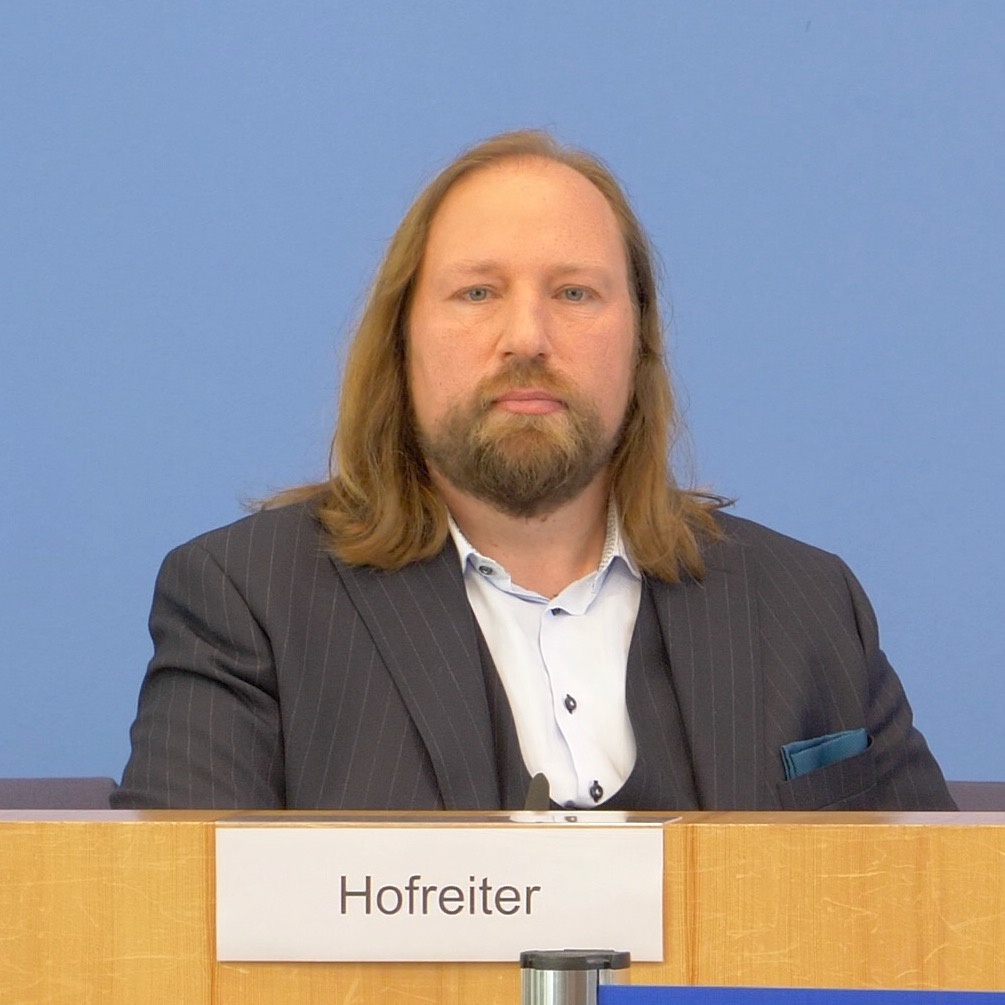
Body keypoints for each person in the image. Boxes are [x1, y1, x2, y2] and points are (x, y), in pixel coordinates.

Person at [113, 130, 955, 812]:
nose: (526, 337)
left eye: (574, 293)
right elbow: (169, 928)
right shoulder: (245, 602)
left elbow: (940, 922)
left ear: (640, 340)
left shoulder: (808, 604)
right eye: (477, 292)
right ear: (401, 340)